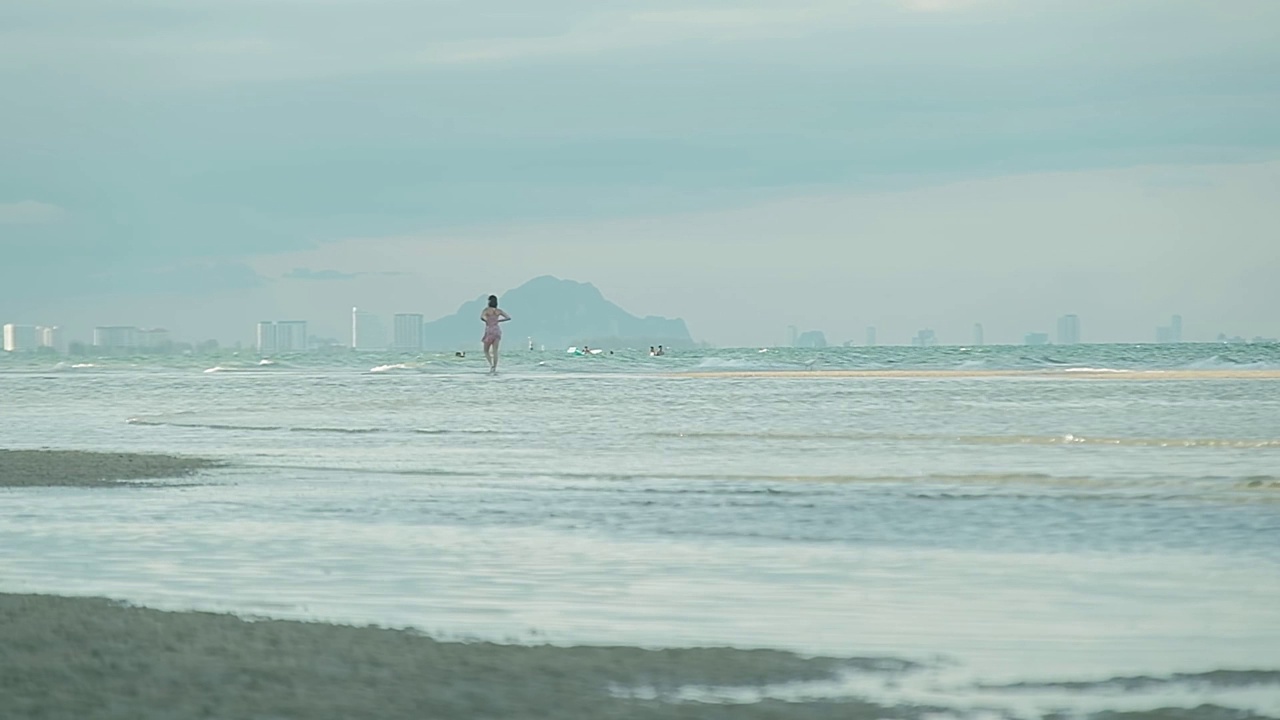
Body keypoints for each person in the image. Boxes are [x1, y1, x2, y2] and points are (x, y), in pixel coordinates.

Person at [480, 295, 511, 373]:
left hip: (489, 330)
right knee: (495, 351)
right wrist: (499, 321)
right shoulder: (498, 311)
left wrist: (487, 320)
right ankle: (495, 367)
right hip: (497, 330)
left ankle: (491, 364)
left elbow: (482, 317)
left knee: (486, 350)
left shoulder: (486, 310)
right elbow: (508, 317)